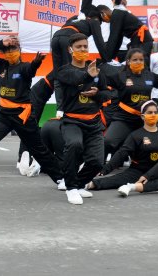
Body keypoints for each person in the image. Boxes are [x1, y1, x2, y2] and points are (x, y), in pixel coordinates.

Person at [0, 36, 63, 193]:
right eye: (7, 51)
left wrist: (36, 63)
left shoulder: (23, 68)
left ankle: (60, 179)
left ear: (20, 51)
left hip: (22, 115)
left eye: (13, 49)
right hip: (2, 113)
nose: (10, 53)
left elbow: (30, 70)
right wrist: (2, 42)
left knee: (39, 150)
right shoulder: (1, 66)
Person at [54, 33, 109, 204]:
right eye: (79, 47)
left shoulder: (97, 70)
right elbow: (75, 78)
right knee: (74, 145)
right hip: (72, 121)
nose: (83, 49)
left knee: (98, 161)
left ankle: (78, 184)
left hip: (93, 122)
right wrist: (88, 75)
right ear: (71, 50)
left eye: (85, 46)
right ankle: (70, 188)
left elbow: (108, 93)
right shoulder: (64, 71)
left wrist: (98, 94)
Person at [88, 100, 158, 192]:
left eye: (155, 112)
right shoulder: (135, 135)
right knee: (112, 181)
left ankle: (134, 187)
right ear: (142, 116)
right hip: (138, 171)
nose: (153, 115)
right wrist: (105, 170)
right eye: (150, 112)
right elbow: (122, 153)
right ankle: (88, 184)